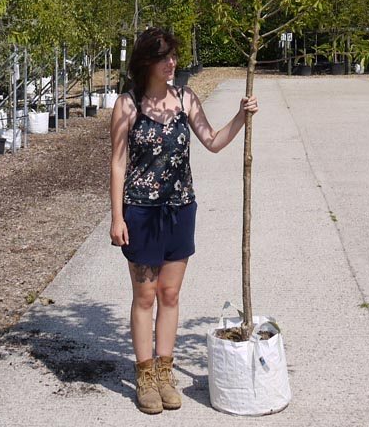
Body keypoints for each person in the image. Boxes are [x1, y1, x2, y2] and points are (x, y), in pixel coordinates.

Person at [109, 27, 258, 415]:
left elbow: (211, 139)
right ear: (146, 63)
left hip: (180, 208)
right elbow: (118, 163)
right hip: (140, 213)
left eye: (174, 56)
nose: (173, 63)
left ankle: (164, 372)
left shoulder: (184, 98)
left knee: (170, 295)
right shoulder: (128, 105)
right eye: (165, 58)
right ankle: (144, 377)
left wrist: (241, 117)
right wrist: (116, 217)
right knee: (145, 296)